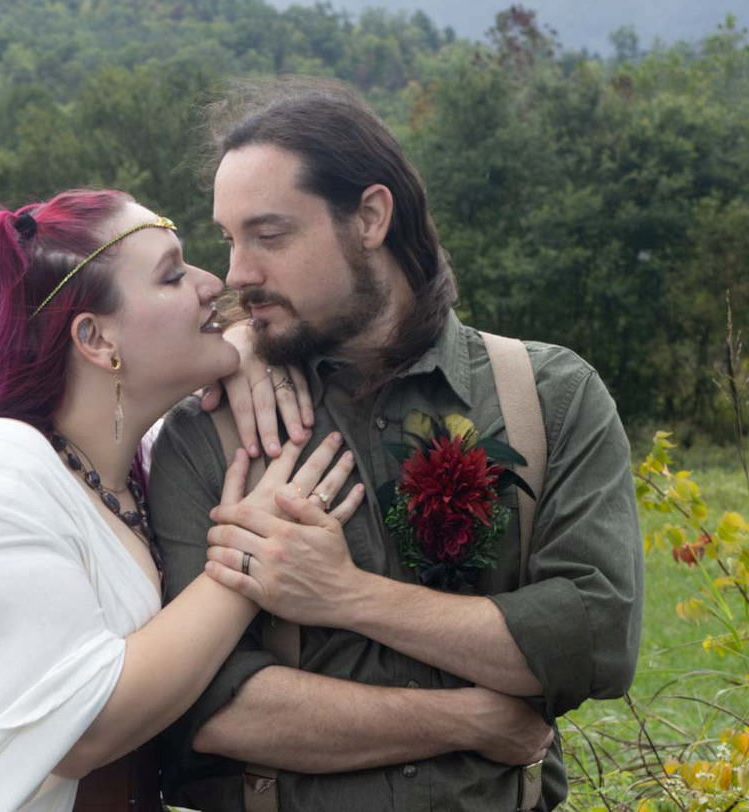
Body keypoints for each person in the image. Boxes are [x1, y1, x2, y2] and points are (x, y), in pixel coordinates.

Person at [148, 79, 643, 811]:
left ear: (371, 217)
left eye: (270, 235)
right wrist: (467, 718)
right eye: (230, 238)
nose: (238, 273)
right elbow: (208, 708)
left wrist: (346, 596)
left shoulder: (548, 397)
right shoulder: (210, 431)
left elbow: (595, 642)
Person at [0, 188, 365, 811]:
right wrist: (250, 551)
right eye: (173, 276)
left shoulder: (138, 465)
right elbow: (82, 731)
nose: (212, 283)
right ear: (95, 338)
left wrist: (251, 344)